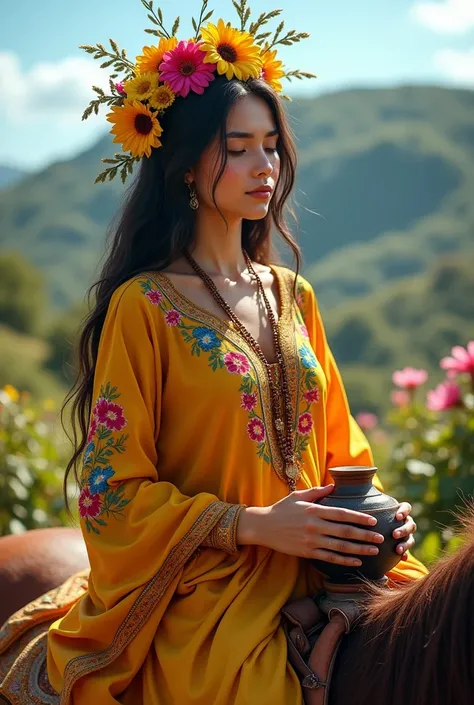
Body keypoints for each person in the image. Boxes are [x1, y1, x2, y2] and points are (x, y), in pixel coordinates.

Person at [45, 3, 427, 704]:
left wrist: (379, 508)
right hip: (215, 586)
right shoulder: (146, 306)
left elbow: (343, 448)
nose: (265, 166)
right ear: (187, 166)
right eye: (239, 145)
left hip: (327, 569)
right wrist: (253, 524)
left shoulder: (294, 297)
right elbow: (109, 498)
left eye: (272, 144)